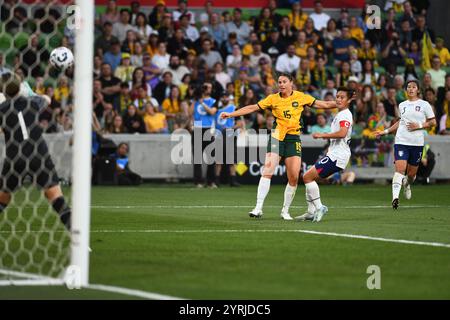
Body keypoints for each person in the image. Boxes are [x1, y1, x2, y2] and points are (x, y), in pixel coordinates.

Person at [220, 73, 337, 220]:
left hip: (293, 138)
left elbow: (324, 105)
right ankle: (258, 208)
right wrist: (231, 114)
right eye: (279, 82)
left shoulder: (301, 97)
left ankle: (285, 211)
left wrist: (342, 103)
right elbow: (252, 108)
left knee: (293, 177)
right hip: (276, 137)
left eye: (284, 82)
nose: (281, 84)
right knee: (268, 170)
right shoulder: (273, 98)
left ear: (291, 83)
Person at [0, 73, 71, 230]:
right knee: (57, 199)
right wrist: (29, 93)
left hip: (15, 158)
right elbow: (47, 99)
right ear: (19, 87)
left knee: (2, 200)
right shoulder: (31, 102)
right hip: (38, 155)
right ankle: (79, 239)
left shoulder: (2, 109)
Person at [374, 79, 436, 209]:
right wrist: (385, 131)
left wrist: (418, 125)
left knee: (411, 175)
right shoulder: (402, 105)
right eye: (408, 87)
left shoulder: (424, 105)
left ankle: (407, 185)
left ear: (418, 90)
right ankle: (395, 198)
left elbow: (432, 122)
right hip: (401, 141)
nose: (411, 89)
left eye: (413, 87)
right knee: (400, 170)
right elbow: (400, 122)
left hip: (417, 143)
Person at [296, 87, 355, 222]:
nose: (338, 99)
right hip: (334, 154)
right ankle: (311, 212)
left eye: (342, 97)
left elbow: (342, 133)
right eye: (337, 97)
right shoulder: (340, 114)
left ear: (349, 100)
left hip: (338, 156)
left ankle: (319, 207)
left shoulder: (345, 114)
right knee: (309, 177)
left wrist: (323, 135)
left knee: (307, 177)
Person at [191, 82, 218, 188]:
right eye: (206, 87)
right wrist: (195, 99)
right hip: (197, 127)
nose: (207, 89)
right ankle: (198, 181)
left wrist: (202, 103)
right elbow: (189, 112)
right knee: (197, 157)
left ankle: (211, 181)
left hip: (209, 129)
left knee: (210, 156)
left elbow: (212, 112)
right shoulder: (195, 101)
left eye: (209, 87)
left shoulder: (213, 101)